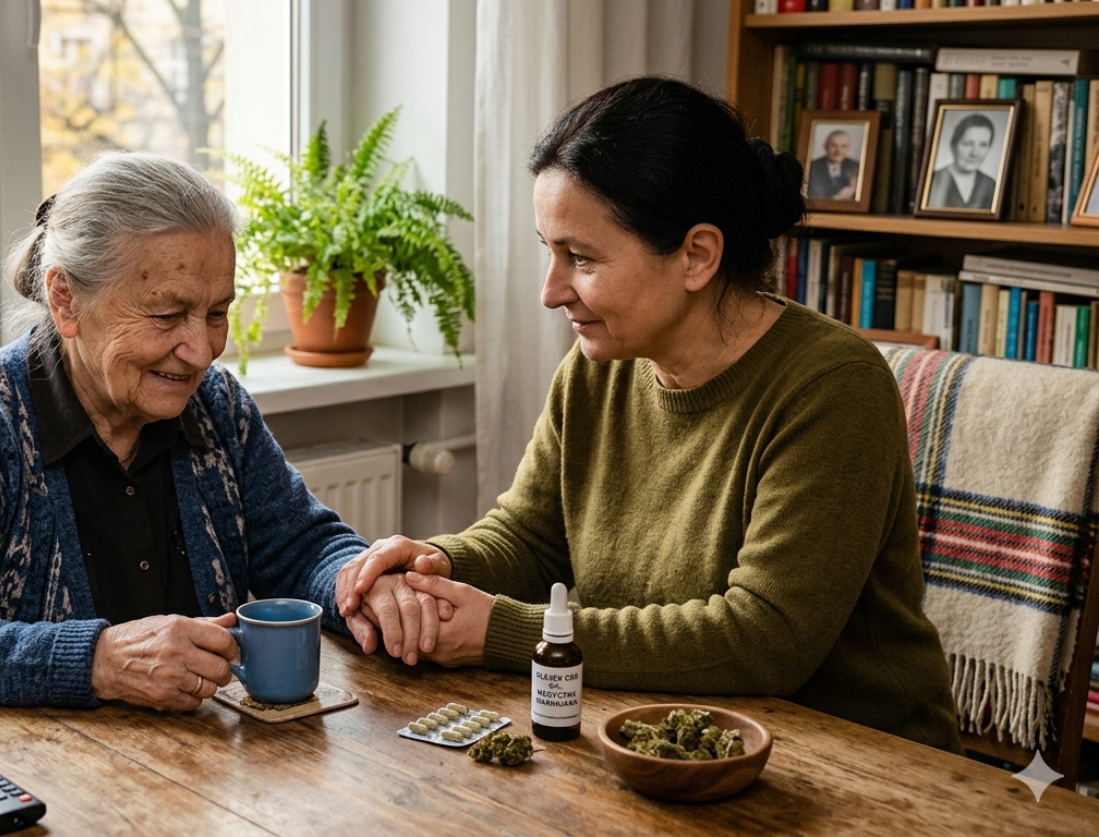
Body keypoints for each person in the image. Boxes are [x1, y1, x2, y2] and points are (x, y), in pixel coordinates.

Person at [336, 77, 963, 753]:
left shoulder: (832, 387)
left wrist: (506, 631)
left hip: (861, 764)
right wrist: (437, 566)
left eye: (580, 258)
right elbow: (531, 537)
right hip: (660, 741)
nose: (551, 291)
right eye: (549, 251)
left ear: (697, 255)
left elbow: (764, 637)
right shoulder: (596, 367)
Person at [0, 152, 368, 716]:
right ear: (65, 300)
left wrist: (365, 584)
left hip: (161, 770)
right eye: (166, 315)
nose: (200, 352)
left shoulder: (216, 407)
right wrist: (96, 659)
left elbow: (301, 547)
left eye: (217, 313)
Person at [926, 113, 997, 211]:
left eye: (983, 145)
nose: (975, 153)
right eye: (968, 144)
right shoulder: (933, 180)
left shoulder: (991, 185)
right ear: (953, 145)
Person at [806, 129, 859, 200]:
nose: (838, 151)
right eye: (834, 145)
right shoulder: (812, 166)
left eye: (843, 146)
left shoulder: (856, 167)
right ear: (826, 146)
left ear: (848, 148)